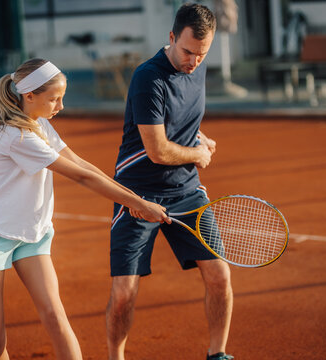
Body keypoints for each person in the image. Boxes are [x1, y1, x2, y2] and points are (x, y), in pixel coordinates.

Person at [0, 58, 169, 360]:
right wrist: (138, 204)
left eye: (62, 97)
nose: (60, 105)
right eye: (54, 99)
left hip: (32, 234)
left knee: (54, 315)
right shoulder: (16, 136)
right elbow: (80, 176)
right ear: (29, 96)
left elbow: (82, 163)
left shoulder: (41, 125)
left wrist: (135, 199)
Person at [106, 3, 234, 360]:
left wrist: (200, 137)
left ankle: (217, 354)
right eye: (188, 51)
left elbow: (178, 118)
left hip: (186, 191)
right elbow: (158, 150)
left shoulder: (197, 64)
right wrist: (198, 155)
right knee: (123, 294)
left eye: (202, 54)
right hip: (138, 194)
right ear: (172, 37)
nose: (194, 61)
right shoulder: (148, 77)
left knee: (219, 276)